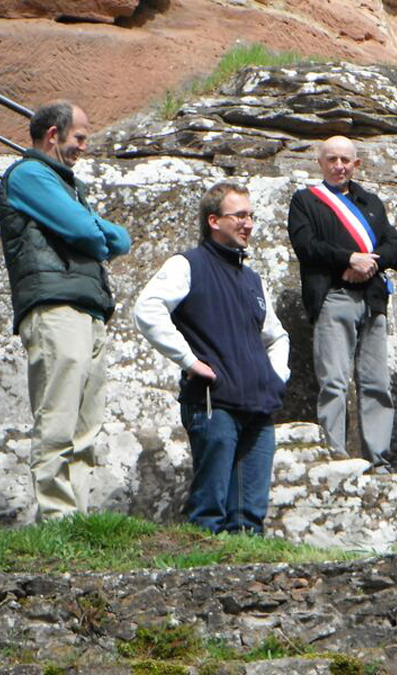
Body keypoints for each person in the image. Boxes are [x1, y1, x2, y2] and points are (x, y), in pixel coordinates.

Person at [0, 100, 130, 520]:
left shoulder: (66, 185)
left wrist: (95, 230)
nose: (83, 147)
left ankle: (76, 521)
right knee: (58, 417)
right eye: (79, 137)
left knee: (86, 421)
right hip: (54, 306)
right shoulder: (30, 175)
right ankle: (56, 518)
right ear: (53, 135)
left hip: (88, 308)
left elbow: (118, 240)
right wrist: (93, 231)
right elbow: (81, 230)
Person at [134, 182, 289, 534]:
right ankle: (202, 577)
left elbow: (277, 336)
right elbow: (147, 310)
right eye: (240, 216)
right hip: (212, 403)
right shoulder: (187, 265)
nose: (248, 224)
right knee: (210, 512)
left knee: (250, 519)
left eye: (251, 216)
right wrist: (189, 361)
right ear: (214, 220)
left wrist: (275, 376)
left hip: (259, 406)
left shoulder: (252, 279)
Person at [287, 136, 397, 473]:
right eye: (332, 159)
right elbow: (306, 246)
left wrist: (371, 263)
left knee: (377, 383)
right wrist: (348, 259)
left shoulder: (371, 202)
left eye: (345, 160)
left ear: (356, 164)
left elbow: (394, 242)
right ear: (320, 162)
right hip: (334, 296)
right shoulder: (306, 201)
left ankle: (378, 458)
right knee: (334, 381)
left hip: (373, 299)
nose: (339, 166)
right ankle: (333, 455)